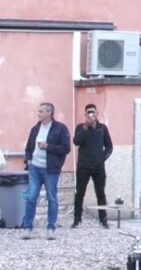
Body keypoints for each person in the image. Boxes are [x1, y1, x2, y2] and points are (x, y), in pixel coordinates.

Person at [22, 102, 71, 240]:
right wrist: (28, 160)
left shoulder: (60, 129)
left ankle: (51, 228)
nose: (38, 114)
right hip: (35, 168)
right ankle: (27, 227)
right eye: (39, 111)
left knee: (52, 198)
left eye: (41, 111)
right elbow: (28, 147)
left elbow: (66, 148)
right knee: (31, 197)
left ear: (49, 113)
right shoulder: (35, 129)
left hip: (51, 169)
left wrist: (48, 146)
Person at [72, 103, 113, 229]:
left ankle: (103, 219)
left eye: (93, 112)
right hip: (83, 166)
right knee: (79, 193)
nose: (91, 114)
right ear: (85, 114)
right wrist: (85, 126)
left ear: (97, 114)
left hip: (98, 167)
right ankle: (77, 220)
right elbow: (76, 142)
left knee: (100, 193)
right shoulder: (80, 127)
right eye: (89, 112)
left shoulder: (102, 128)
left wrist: (102, 158)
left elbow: (109, 146)